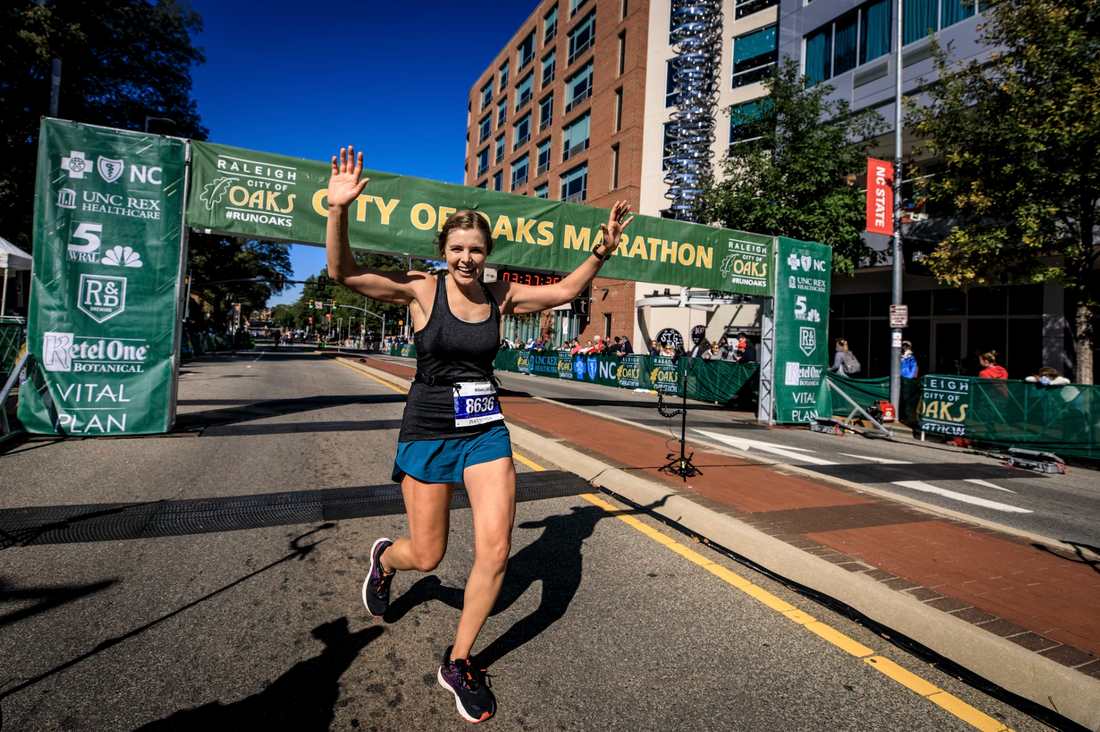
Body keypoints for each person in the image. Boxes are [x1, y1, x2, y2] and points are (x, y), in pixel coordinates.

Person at [325, 145, 633, 724]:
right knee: (430, 552)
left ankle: (459, 659)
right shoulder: (420, 289)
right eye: (458, 250)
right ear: (443, 252)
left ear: (488, 255)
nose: (467, 259)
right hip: (428, 429)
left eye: (477, 250)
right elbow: (342, 273)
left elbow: (565, 293)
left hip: (485, 429)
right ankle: (388, 561)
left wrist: (600, 252)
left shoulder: (500, 296)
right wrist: (338, 211)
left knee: (496, 550)